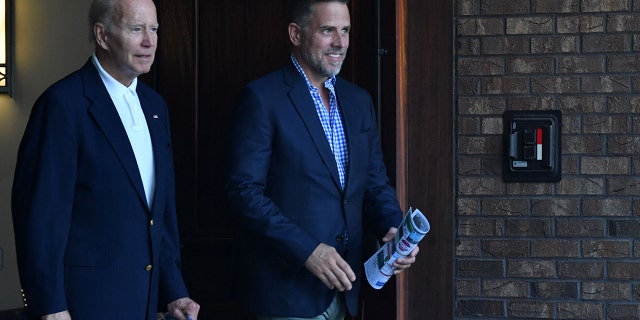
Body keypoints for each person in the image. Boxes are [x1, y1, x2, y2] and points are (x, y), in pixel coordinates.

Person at [224, 0, 419, 319]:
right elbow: (243, 193)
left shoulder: (358, 102)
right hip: (285, 293)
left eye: (345, 31)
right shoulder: (262, 98)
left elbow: (375, 185)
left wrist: (393, 229)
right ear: (295, 34)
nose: (340, 42)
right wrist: (307, 251)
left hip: (346, 292)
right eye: (328, 30)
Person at [11, 0, 200, 319]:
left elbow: (160, 213)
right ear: (102, 35)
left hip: (143, 302)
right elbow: (39, 218)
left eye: (154, 29)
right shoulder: (62, 105)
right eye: (136, 29)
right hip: (81, 304)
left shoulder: (156, 106)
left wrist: (175, 292)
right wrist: (51, 306)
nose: (149, 41)